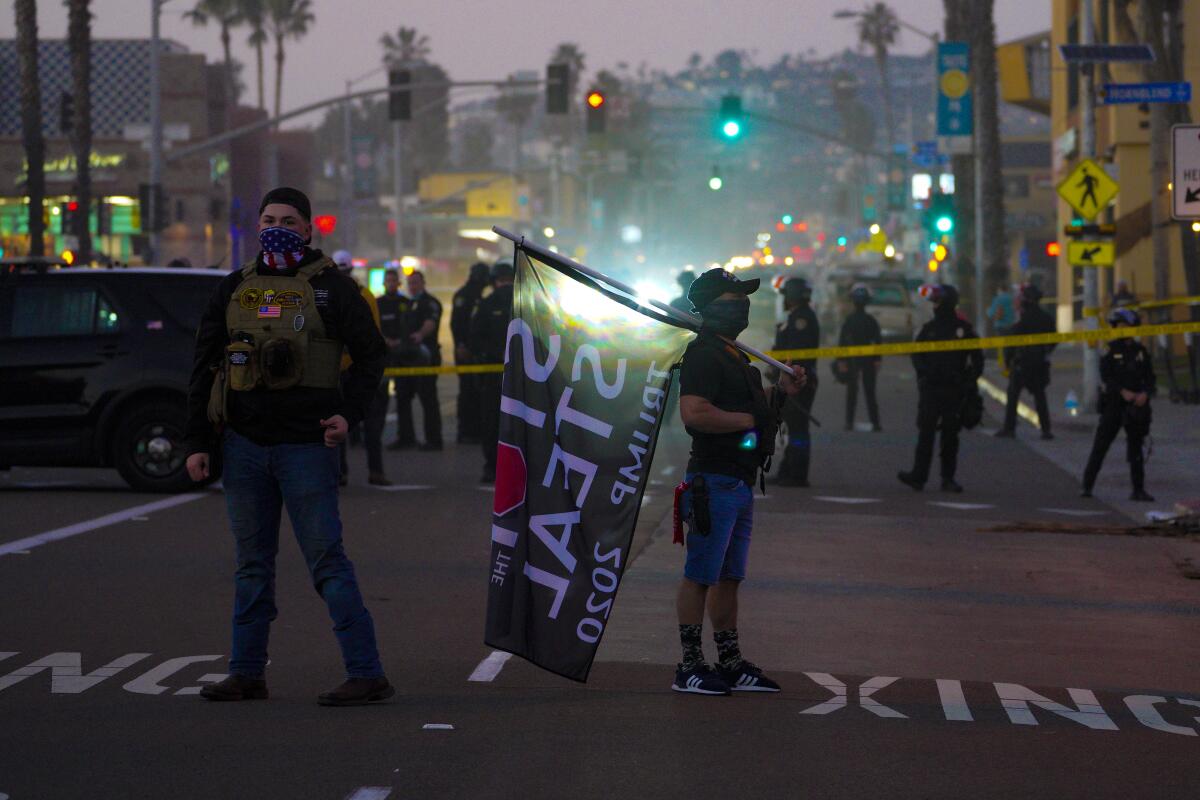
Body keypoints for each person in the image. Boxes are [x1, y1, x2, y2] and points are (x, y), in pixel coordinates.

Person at [183, 186, 392, 706]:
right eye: (269, 217)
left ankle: (366, 672)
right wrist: (199, 440)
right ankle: (247, 672)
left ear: (307, 228)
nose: (277, 225)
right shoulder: (234, 288)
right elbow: (206, 366)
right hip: (245, 446)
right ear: (258, 225)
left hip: (305, 446)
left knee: (326, 561)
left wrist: (348, 415)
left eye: (288, 219)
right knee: (252, 565)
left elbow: (371, 359)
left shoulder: (332, 290)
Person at [673, 268, 803, 696]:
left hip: (740, 481)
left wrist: (780, 392)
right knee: (700, 575)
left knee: (730, 577)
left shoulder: (735, 357)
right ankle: (690, 665)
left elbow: (754, 405)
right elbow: (694, 412)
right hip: (712, 480)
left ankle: (729, 661)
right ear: (712, 307)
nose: (742, 306)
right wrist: (750, 419)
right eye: (734, 298)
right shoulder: (703, 355)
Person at [898, 284, 983, 494]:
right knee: (927, 433)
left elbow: (977, 359)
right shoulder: (929, 329)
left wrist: (968, 381)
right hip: (932, 389)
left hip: (954, 390)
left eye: (936, 301)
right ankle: (919, 476)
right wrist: (924, 376)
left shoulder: (963, 330)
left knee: (949, 436)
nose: (934, 306)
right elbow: (916, 354)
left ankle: (947, 478)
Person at [1082, 307, 1156, 501]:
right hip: (1114, 404)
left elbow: (1150, 377)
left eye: (1123, 325)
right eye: (1117, 326)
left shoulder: (1140, 352)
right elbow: (1106, 376)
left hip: (1135, 407)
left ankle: (1138, 489)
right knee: (1101, 445)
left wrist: (1145, 394)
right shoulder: (1110, 349)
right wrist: (1122, 392)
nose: (1119, 329)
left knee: (1136, 449)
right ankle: (1087, 485)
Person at [331, 250, 392, 486]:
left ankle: (342, 472)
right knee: (371, 425)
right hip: (361, 369)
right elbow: (375, 334)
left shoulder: (331, 293)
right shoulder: (365, 294)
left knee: (341, 424)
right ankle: (374, 471)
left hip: (342, 370)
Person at [470, 258, 515, 484]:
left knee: (493, 422)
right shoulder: (492, 304)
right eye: (502, 280)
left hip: (504, 374)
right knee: (496, 422)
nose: (505, 284)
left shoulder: (519, 304)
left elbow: (474, 338)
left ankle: (494, 467)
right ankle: (496, 467)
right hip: (506, 375)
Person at [772, 277, 820, 487]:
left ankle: (797, 474)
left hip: (799, 381)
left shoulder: (803, 319)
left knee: (798, 429)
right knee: (792, 427)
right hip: (791, 379)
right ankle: (787, 470)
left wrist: (788, 374)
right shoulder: (796, 316)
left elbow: (797, 355)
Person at [995, 284, 1056, 440]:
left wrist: (1008, 361)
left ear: (1026, 300)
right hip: (1039, 363)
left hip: (1022, 363)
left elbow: (1012, 341)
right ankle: (1046, 430)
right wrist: (1045, 352)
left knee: (1013, 395)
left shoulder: (1022, 319)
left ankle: (1009, 429)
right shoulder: (1046, 318)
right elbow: (1054, 340)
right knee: (1040, 396)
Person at [395, 270, 444, 451]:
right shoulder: (410, 304)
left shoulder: (430, 303)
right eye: (410, 283)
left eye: (415, 282)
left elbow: (430, 322)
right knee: (403, 397)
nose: (412, 286)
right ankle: (406, 437)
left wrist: (420, 335)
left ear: (423, 283)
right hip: (407, 358)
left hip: (425, 357)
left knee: (428, 399)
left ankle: (434, 440)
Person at [451, 262, 492, 443]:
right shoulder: (465, 296)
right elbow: (457, 324)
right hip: (466, 351)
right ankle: (466, 431)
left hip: (475, 350)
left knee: (475, 391)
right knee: (468, 391)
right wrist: (461, 346)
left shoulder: (478, 295)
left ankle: (474, 430)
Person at [837, 283, 882, 432]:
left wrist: (842, 361)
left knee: (853, 393)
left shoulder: (850, 320)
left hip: (853, 359)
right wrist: (877, 359)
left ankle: (850, 423)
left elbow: (842, 342)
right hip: (865, 359)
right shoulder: (870, 320)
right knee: (869, 392)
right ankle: (875, 423)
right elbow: (878, 341)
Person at [377, 269, 413, 449]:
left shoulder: (406, 303)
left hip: (402, 357)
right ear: (384, 283)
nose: (391, 283)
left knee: (403, 399)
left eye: (393, 281)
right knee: (380, 399)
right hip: (383, 356)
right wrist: (385, 341)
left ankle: (406, 437)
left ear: (398, 283)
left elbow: (410, 328)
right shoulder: (377, 304)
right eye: (388, 281)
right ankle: (374, 436)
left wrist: (400, 341)